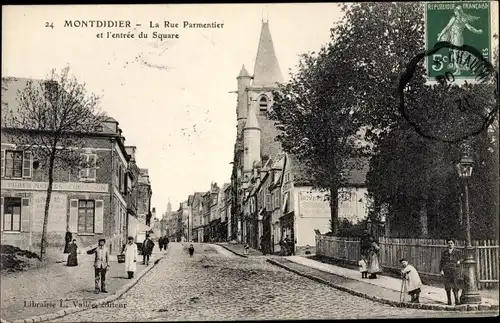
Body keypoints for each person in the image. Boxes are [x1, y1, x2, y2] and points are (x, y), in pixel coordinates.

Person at [440, 239, 462, 305]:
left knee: (455, 285)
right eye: (449, 243)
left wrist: (459, 261)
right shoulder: (444, 252)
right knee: (447, 286)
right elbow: (442, 262)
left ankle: (456, 300)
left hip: (454, 271)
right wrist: (441, 270)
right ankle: (449, 301)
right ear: (447, 244)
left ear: (454, 244)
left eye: (451, 243)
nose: (450, 244)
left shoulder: (457, 252)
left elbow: (462, 258)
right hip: (447, 271)